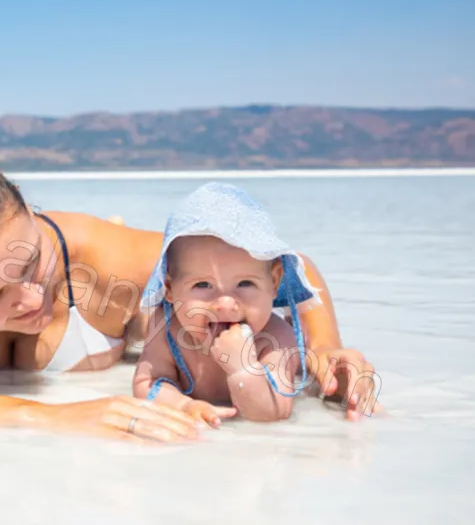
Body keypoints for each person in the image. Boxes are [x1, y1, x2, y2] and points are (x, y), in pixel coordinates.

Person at [0, 145, 378, 444]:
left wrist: (325, 348)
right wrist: (48, 419)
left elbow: (287, 263)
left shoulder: (101, 256)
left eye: (30, 262)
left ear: (30, 212)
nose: (30, 298)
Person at [133, 182, 346, 425]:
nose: (225, 304)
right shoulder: (167, 329)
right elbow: (147, 384)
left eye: (245, 283)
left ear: (274, 283)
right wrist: (183, 405)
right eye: (203, 285)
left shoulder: (276, 339)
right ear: (170, 289)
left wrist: (244, 369)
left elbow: (274, 412)